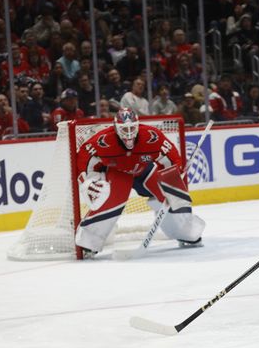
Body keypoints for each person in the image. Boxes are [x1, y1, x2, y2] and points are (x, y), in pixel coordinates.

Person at [74, 108, 205, 256]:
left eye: (132, 128)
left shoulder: (151, 136)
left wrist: (174, 174)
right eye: (124, 129)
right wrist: (88, 181)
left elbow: (171, 157)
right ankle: (89, 241)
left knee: (174, 194)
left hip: (144, 170)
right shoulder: (102, 140)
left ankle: (186, 232)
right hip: (117, 173)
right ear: (116, 128)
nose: (129, 133)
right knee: (111, 198)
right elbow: (84, 159)